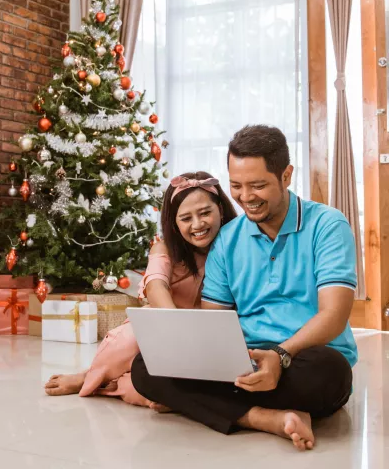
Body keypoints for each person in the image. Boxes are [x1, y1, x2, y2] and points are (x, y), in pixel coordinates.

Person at [131, 125, 358, 451]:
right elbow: (214, 322)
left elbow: (334, 315)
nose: (246, 197)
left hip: (304, 358)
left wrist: (280, 356)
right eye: (236, 186)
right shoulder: (228, 238)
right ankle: (265, 418)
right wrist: (215, 358)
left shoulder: (327, 225)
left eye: (258, 185)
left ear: (286, 175)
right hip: (245, 360)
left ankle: (203, 404)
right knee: (145, 369)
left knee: (331, 373)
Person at [44, 171, 236, 406]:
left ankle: (115, 384)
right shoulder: (165, 249)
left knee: (148, 391)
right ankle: (92, 375)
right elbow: (156, 285)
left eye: (205, 213)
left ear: (221, 210)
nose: (198, 225)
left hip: (211, 337)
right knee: (133, 335)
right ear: (174, 224)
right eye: (186, 218)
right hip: (167, 327)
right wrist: (180, 328)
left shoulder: (235, 246)